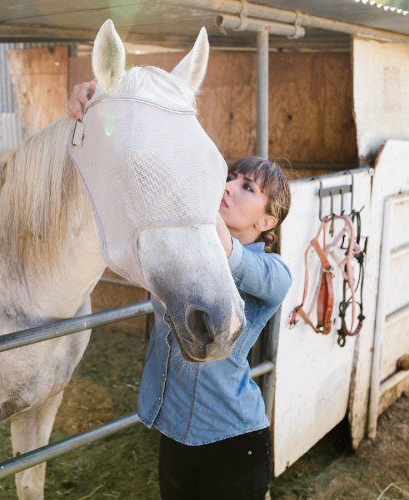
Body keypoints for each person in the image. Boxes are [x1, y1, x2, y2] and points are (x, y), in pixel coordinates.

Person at [67, 81, 292, 499]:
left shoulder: (274, 274)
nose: (228, 187)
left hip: (232, 440)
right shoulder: (186, 257)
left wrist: (199, 187)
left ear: (266, 223)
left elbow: (234, 258)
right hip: (173, 433)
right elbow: (129, 156)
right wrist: (97, 111)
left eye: (248, 188)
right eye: (229, 177)